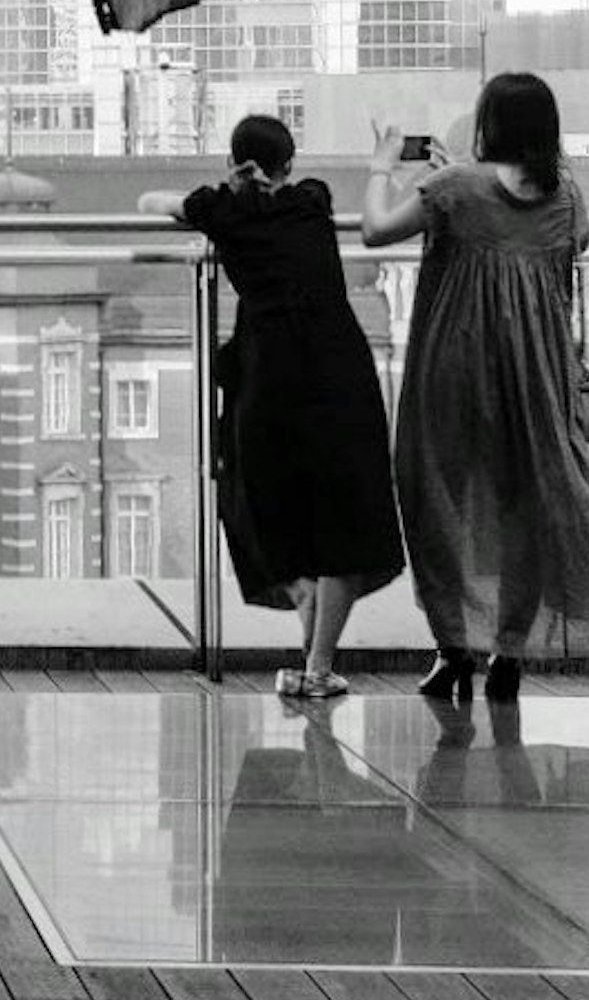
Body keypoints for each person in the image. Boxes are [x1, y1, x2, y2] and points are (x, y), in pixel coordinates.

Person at [360, 72, 589, 700]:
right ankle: (509, 651)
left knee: (440, 502)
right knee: (527, 507)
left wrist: (380, 166)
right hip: (536, 380)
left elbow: (375, 230)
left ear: (489, 126)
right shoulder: (567, 197)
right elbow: (571, 239)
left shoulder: (453, 187)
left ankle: (454, 647)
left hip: (452, 374)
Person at [140, 114, 405, 698]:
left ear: (235, 162)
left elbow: (150, 200)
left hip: (270, 377)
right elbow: (299, 200)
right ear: (291, 162)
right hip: (340, 372)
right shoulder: (313, 201)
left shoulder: (222, 211)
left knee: (276, 505)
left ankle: (307, 634)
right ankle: (316, 668)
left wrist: (230, 190)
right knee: (345, 520)